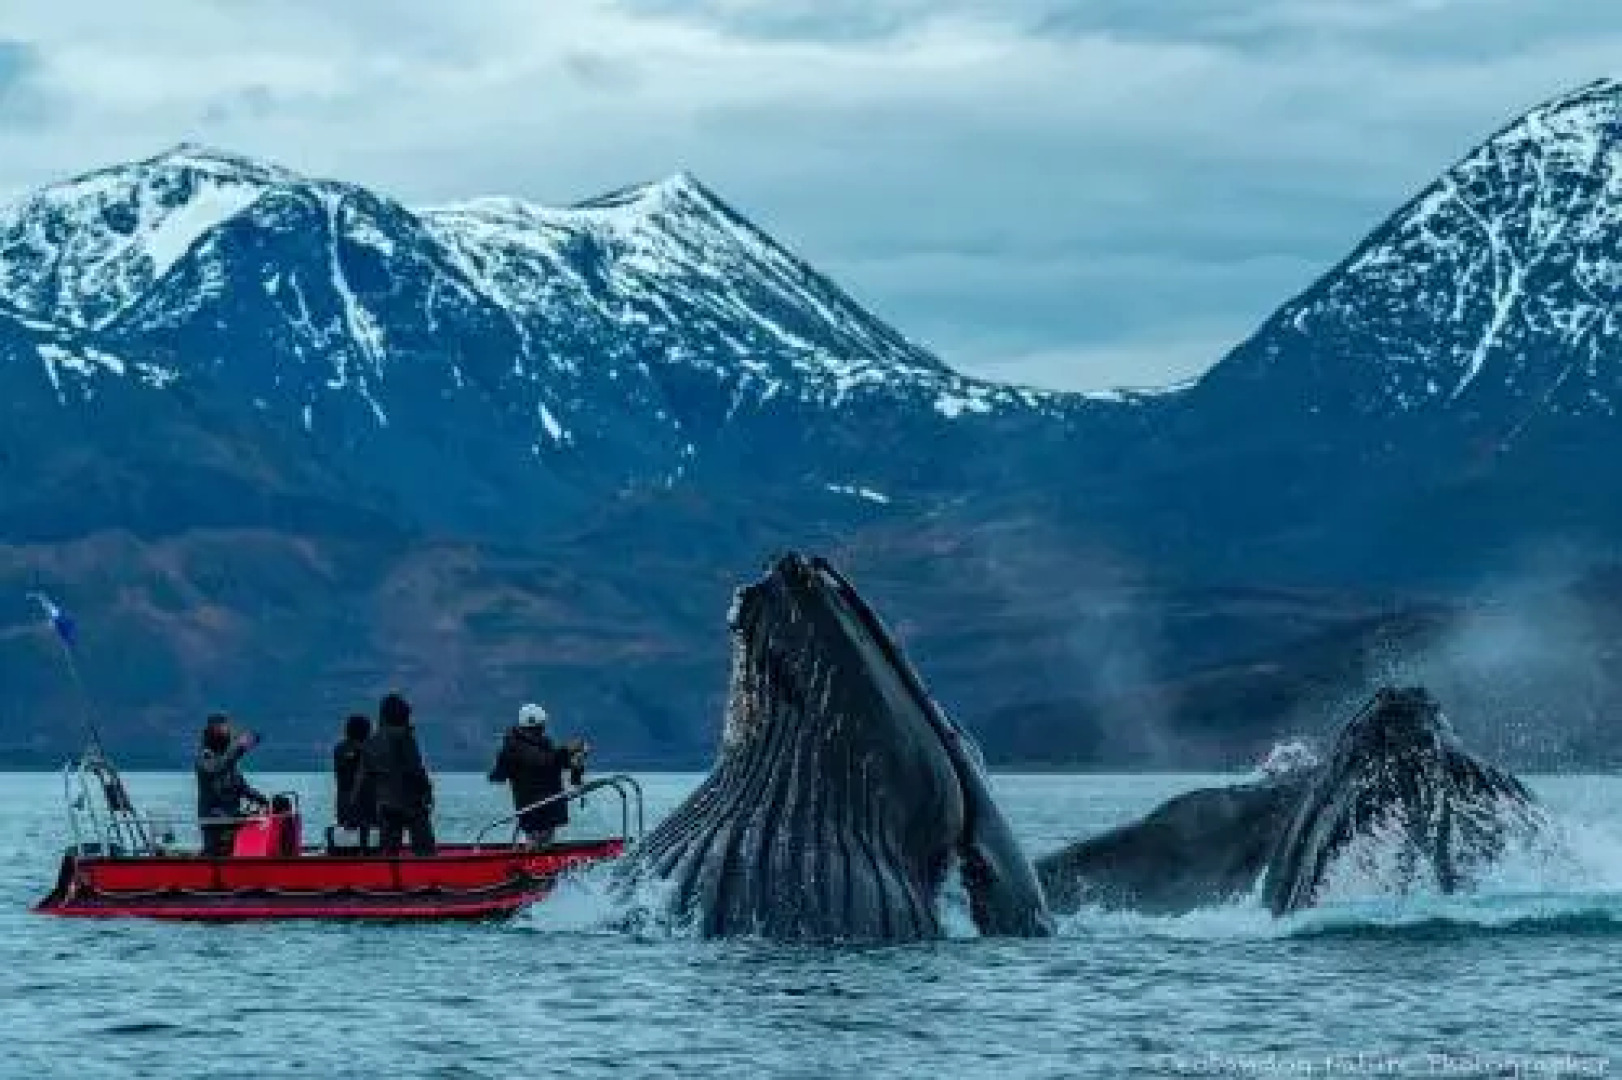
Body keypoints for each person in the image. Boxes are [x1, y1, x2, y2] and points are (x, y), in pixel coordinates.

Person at [487, 703, 588, 848]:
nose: (543, 728)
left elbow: (555, 762)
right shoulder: (515, 748)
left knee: (544, 840)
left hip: (549, 805)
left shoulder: (541, 744)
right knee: (537, 840)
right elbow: (541, 760)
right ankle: (530, 865)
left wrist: (576, 759)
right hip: (533, 808)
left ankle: (536, 864)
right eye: (541, 725)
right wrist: (565, 752)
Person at [360, 692, 436, 856]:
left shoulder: (371, 741)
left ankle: (390, 879)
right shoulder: (403, 737)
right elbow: (415, 769)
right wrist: (427, 790)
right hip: (411, 802)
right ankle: (429, 877)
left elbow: (367, 777)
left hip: (385, 804)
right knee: (425, 849)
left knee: (389, 851)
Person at [195, 713, 267, 856]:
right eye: (221, 729)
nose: (226, 731)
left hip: (232, 817)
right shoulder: (205, 758)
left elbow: (242, 788)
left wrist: (265, 800)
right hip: (215, 820)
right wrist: (239, 747)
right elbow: (217, 768)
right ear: (211, 733)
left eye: (226, 728)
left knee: (264, 817)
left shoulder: (230, 763)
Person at [333, 713, 377, 844]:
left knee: (350, 829)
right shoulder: (367, 749)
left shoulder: (340, 749)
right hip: (363, 799)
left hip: (346, 799)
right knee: (367, 828)